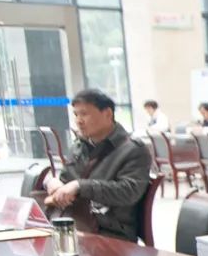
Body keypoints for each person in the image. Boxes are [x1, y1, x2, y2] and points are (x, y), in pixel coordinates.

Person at [42, 89, 152, 242]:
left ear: (107, 114)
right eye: (76, 115)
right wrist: (54, 183)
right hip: (74, 223)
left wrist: (80, 186)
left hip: (109, 232)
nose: (79, 121)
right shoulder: (79, 146)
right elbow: (67, 180)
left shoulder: (133, 150)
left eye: (84, 114)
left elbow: (129, 191)